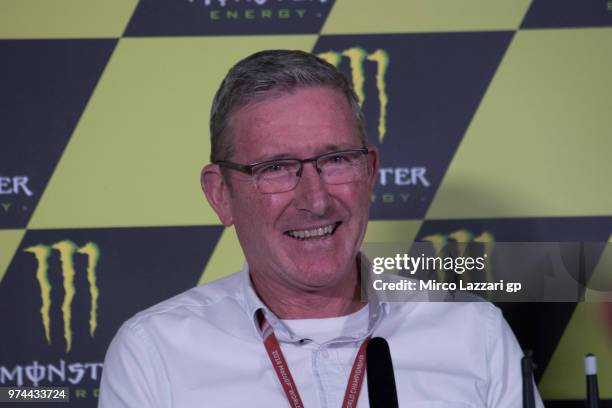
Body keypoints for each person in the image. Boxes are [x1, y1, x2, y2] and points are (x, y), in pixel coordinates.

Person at [99, 50, 544, 407]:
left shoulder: (474, 333)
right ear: (221, 194)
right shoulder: (153, 352)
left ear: (369, 172)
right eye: (275, 168)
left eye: (336, 160)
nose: (315, 200)